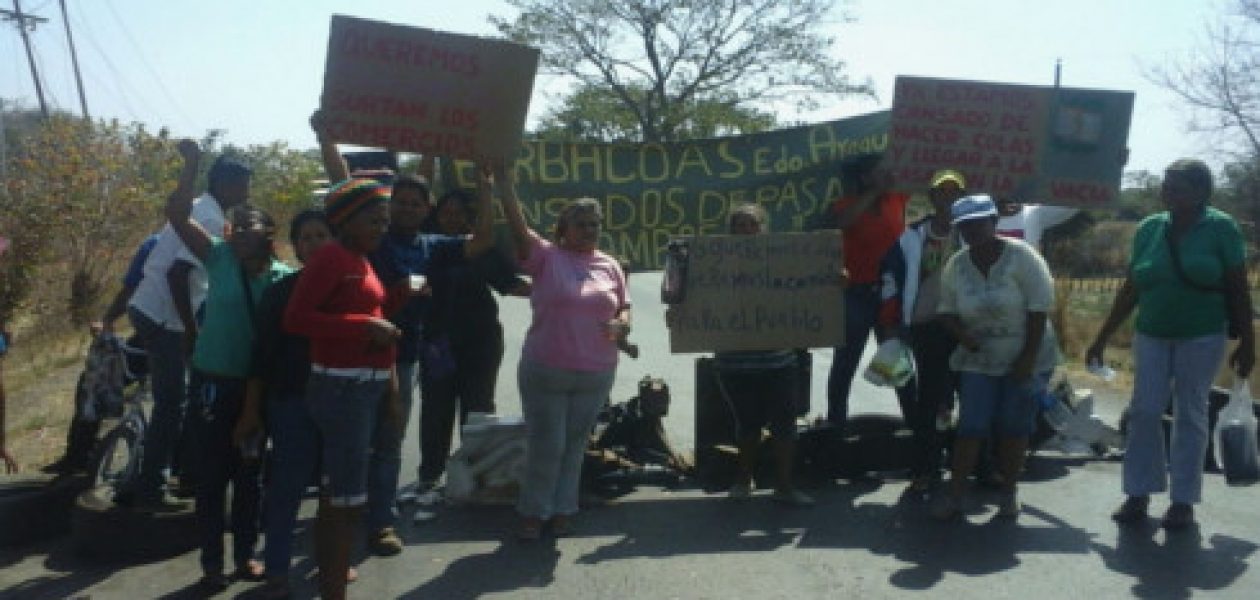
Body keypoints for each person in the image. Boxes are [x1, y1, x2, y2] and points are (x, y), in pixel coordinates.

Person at [311, 114, 497, 555]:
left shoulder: (434, 246)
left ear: (427, 209)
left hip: (404, 357)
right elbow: (343, 185)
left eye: (417, 203)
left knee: (390, 441)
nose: (408, 209)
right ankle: (341, 522)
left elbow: (484, 239)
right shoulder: (368, 236)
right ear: (385, 207)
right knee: (351, 444)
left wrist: (486, 186)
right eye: (401, 202)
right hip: (353, 354)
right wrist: (327, 138)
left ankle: (380, 523)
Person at [1088, 159, 1254, 530]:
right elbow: (1131, 287)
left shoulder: (1221, 228)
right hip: (1151, 333)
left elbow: (1238, 287)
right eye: (1166, 184)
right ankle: (1138, 493)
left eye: (1176, 186)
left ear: (1199, 192)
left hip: (1202, 334)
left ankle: (1183, 501)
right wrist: (1101, 337)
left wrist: (1248, 342)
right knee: (1145, 411)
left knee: (1191, 414)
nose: (1167, 191)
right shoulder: (1150, 228)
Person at [165, 140, 293, 589]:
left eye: (250, 228)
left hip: (255, 391)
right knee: (212, 474)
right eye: (235, 228)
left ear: (268, 235)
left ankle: (245, 556)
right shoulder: (216, 257)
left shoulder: (283, 280)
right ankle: (211, 562)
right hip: (211, 383)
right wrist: (192, 167)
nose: (240, 233)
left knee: (250, 474)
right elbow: (177, 215)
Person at [283, 177, 405, 600]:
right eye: (374, 219)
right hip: (342, 389)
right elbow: (296, 319)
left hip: (366, 386)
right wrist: (365, 325)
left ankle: (334, 581)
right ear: (347, 220)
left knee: (347, 495)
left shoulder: (360, 258)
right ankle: (334, 590)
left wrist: (390, 386)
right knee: (345, 498)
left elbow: (369, 317)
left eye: (384, 221)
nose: (381, 227)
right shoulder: (333, 257)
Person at [498, 165, 631, 540]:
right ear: (564, 228)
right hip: (546, 369)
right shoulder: (545, 256)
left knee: (574, 447)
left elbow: (625, 306)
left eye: (595, 224)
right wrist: (504, 186)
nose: (590, 230)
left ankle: (563, 509)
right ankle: (533, 512)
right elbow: (518, 228)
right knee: (547, 445)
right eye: (582, 224)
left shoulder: (609, 265)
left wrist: (623, 323)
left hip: (596, 371)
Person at [125, 150, 250, 510]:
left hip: (149, 307)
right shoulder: (208, 218)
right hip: (167, 317)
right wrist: (192, 332)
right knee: (172, 404)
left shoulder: (200, 207)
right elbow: (178, 274)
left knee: (177, 397)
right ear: (225, 185)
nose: (246, 193)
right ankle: (152, 488)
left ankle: (164, 470)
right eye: (243, 186)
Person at [232, 209, 340, 598]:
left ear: (334, 240)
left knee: (335, 492)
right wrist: (251, 410)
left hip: (340, 403)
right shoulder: (280, 293)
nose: (313, 243)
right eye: (305, 237)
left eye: (321, 234)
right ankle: (277, 568)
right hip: (290, 404)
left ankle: (332, 562)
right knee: (286, 488)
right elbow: (260, 358)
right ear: (295, 247)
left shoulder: (349, 288)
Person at [932, 194, 1059, 520]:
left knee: (1014, 425)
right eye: (965, 226)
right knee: (971, 425)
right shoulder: (956, 264)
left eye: (979, 223)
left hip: (1026, 352)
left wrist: (1027, 359)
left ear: (994, 222)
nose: (972, 230)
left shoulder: (1022, 256)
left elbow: (1039, 308)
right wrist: (963, 336)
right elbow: (945, 311)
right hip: (980, 357)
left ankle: (1009, 492)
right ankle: (956, 495)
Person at [416, 189, 530, 493]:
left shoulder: (482, 249)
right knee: (436, 409)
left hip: (481, 342)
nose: (451, 218)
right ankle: (430, 475)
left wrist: (556, 290)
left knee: (477, 410)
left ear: (470, 217)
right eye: (445, 213)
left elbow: (511, 284)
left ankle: (476, 471)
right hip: (436, 344)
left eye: (458, 213)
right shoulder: (425, 246)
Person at [714, 204, 814, 506]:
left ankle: (784, 486)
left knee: (785, 424)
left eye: (752, 225)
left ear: (764, 230)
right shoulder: (714, 263)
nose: (746, 231)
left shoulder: (783, 261)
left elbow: (808, 287)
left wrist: (834, 280)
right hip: (734, 361)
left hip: (778, 359)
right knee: (747, 424)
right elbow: (685, 294)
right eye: (740, 226)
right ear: (730, 232)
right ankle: (744, 479)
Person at [877, 169, 967, 493]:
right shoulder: (911, 237)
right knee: (932, 399)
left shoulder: (972, 234)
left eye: (955, 192)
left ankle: (975, 466)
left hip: (968, 328)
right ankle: (925, 468)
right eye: (942, 192)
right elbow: (889, 279)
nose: (948, 198)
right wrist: (890, 320)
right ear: (931, 197)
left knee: (969, 396)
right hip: (927, 327)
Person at [43, 234, 159, 475]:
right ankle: (79, 456)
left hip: (187, 339)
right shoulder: (154, 244)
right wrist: (107, 322)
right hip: (150, 335)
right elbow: (131, 288)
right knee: (92, 382)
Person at [820, 153, 909, 428]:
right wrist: (873, 192)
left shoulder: (897, 200)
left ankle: (915, 422)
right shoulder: (846, 205)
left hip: (890, 295)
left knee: (897, 360)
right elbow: (842, 223)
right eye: (881, 171)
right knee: (845, 363)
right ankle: (837, 424)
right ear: (865, 177)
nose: (888, 175)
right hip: (856, 293)